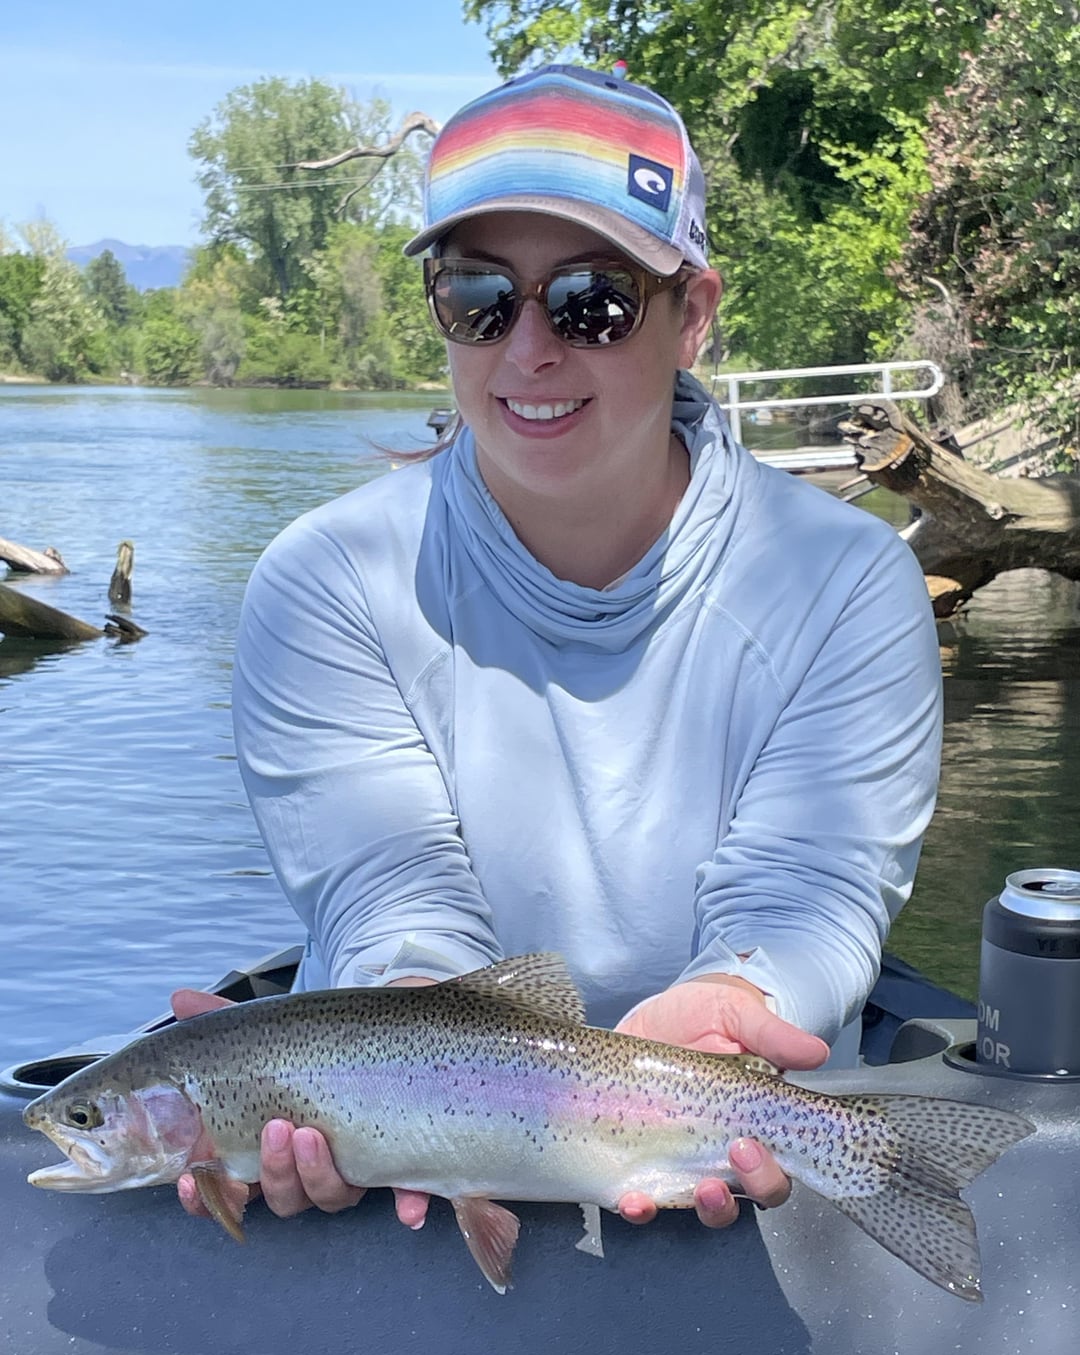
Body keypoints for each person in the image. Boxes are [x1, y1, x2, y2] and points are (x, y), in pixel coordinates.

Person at [175, 63, 942, 1235]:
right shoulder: (328, 579)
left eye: (592, 300)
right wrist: (400, 1064)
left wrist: (738, 998)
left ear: (693, 315)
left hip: (743, 1158)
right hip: (415, 1175)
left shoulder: (845, 583)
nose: (529, 348)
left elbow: (805, 890)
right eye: (479, 297)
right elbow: (392, 892)